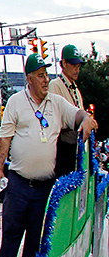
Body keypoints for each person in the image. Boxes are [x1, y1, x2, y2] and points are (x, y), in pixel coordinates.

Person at [0, 54, 96, 257]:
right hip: (18, 183)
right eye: (40, 75)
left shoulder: (57, 103)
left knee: (35, 242)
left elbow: (77, 114)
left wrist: (86, 119)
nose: (46, 80)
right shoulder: (16, 102)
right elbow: (4, 140)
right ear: (29, 79)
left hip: (45, 187)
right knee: (11, 237)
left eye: (46, 74)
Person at [49, 44, 88, 177]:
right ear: (63, 64)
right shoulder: (55, 85)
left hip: (75, 147)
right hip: (62, 147)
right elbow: (54, 118)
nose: (77, 70)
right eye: (73, 65)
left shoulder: (76, 90)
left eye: (79, 66)